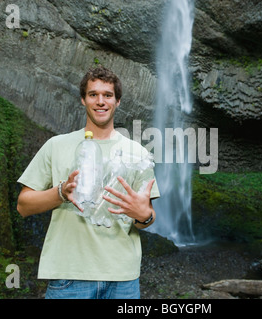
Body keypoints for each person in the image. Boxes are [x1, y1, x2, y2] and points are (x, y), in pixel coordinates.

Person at [16, 66, 160, 299]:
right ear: (83, 100)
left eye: (108, 95)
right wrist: (61, 192)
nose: (100, 101)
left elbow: (146, 219)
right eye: (93, 94)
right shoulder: (56, 145)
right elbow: (23, 205)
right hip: (69, 277)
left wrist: (143, 215)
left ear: (118, 101)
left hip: (122, 279)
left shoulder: (139, 154)